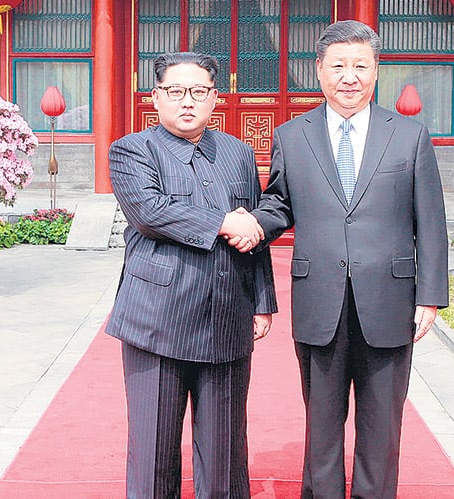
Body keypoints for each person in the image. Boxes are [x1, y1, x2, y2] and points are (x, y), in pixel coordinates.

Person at [248, 20, 449, 498]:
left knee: (383, 425)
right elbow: (280, 203)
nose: (349, 76)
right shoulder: (291, 136)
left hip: (390, 299)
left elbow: (432, 220)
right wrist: (251, 224)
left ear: (376, 71)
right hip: (320, 298)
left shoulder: (410, 135)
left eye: (360, 65)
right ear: (318, 71)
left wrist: (432, 295)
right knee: (321, 424)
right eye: (337, 65)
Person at [106, 51, 277, 499]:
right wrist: (223, 222)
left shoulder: (238, 153)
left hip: (226, 316)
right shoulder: (131, 150)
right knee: (154, 450)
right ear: (155, 97)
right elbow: (150, 212)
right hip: (156, 319)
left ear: (215, 97)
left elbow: (253, 225)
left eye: (199, 92)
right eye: (176, 91)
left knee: (224, 452)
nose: (188, 102)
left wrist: (262, 301)